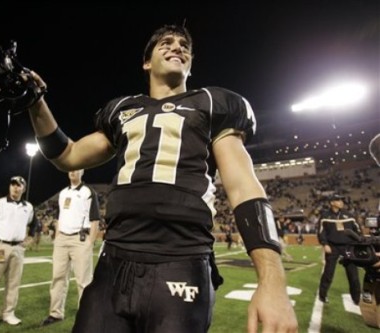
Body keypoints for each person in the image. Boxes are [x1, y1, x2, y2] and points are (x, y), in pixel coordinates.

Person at [27, 24, 297, 332]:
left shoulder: (211, 103)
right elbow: (68, 155)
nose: (177, 47)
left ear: (190, 63)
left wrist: (272, 280)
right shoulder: (122, 110)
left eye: (184, 45)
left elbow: (242, 185)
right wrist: (35, 102)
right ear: (146, 62)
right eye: (165, 43)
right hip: (113, 262)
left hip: (181, 259)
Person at [42, 169, 101, 326]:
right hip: (62, 239)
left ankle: (85, 316)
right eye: (71, 168)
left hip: (80, 239)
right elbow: (61, 216)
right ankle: (55, 313)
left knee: (84, 281)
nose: (73, 171)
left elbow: (95, 219)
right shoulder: (63, 193)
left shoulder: (89, 192)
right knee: (58, 278)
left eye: (77, 169)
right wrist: (59, 235)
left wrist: (90, 242)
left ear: (82, 172)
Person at [0, 176, 39, 330]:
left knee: (13, 283)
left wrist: (30, 237)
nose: (15, 188)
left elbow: (34, 224)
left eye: (19, 186)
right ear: (9, 187)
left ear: (23, 189)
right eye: (13, 185)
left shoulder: (29, 207)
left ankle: (8, 313)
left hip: (18, 248)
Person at [317, 193, 361, 304]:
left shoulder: (349, 215)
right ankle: (322, 296)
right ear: (332, 203)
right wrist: (325, 244)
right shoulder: (325, 216)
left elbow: (358, 230)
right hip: (332, 247)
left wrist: (356, 244)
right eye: (338, 200)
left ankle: (356, 298)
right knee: (328, 273)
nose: (341, 202)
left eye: (342, 200)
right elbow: (321, 232)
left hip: (348, 247)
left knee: (353, 274)